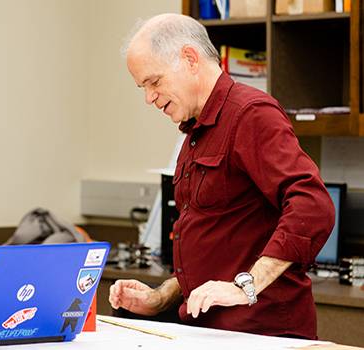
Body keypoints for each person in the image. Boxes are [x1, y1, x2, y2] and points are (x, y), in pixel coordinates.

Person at [110, 13, 335, 339]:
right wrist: (160, 298)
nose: (149, 98)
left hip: (261, 334)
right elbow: (218, 253)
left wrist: (248, 285)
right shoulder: (194, 132)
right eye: (142, 87)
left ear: (189, 59)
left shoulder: (251, 114)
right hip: (208, 332)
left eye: (154, 82)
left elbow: (312, 206)